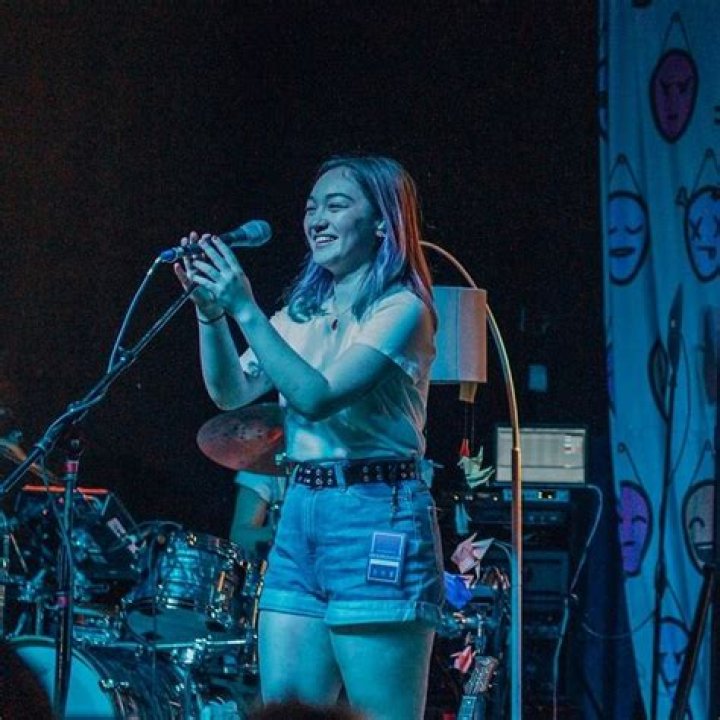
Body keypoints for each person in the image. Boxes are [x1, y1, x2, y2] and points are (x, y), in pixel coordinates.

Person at [176, 155, 444, 720]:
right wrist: (211, 315)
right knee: (287, 710)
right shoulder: (301, 313)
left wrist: (244, 307)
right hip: (300, 512)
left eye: (336, 205)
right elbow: (230, 392)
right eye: (311, 207)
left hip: (375, 512)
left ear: (383, 221)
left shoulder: (402, 309)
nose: (317, 219)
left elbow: (317, 397)